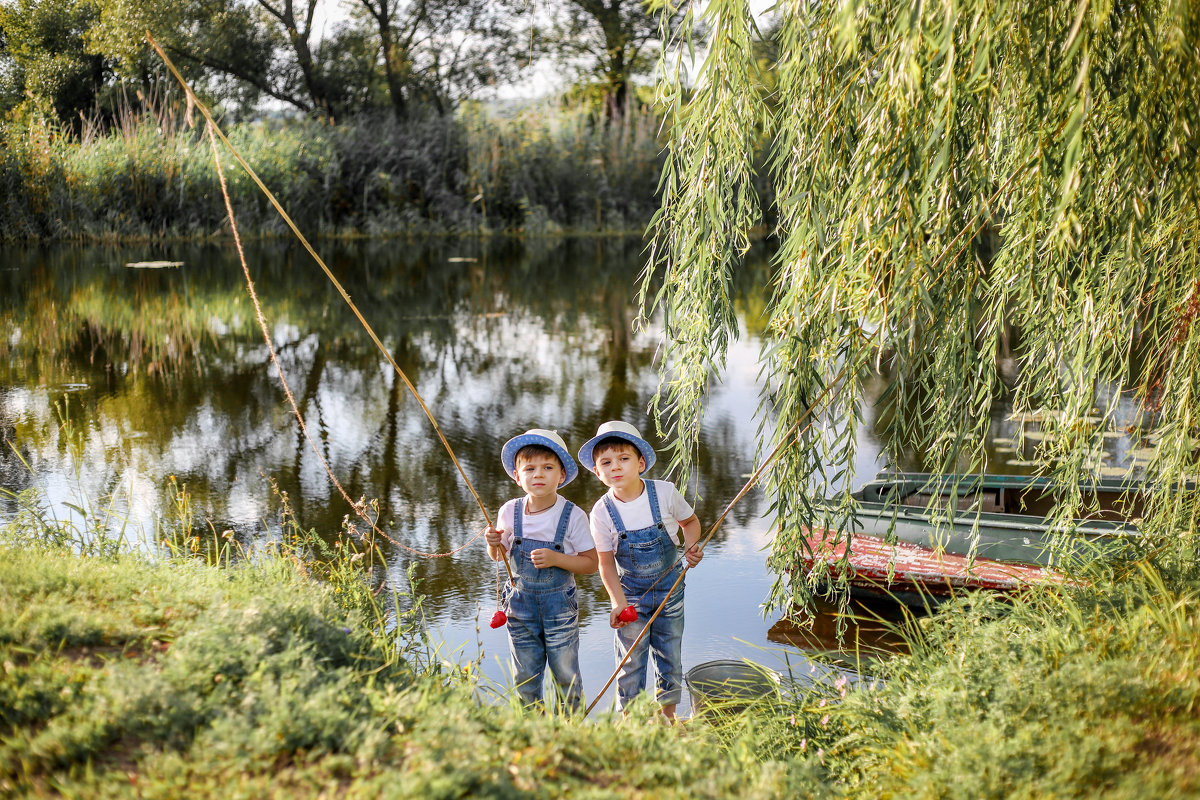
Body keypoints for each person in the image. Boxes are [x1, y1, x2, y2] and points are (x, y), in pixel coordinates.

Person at [577, 420, 703, 721]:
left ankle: (668, 715)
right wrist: (618, 603)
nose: (615, 467)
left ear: (641, 462)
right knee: (630, 660)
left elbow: (691, 523)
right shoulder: (602, 511)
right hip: (631, 595)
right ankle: (630, 720)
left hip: (671, 591)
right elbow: (605, 563)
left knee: (669, 654)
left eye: (624, 459)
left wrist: (690, 548)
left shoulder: (664, 493)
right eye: (605, 462)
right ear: (597, 472)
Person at [484, 428, 597, 711]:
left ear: (561, 475)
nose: (538, 475)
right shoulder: (510, 511)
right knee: (525, 675)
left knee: (565, 673)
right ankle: (533, 732)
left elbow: (591, 564)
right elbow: (499, 557)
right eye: (530, 468)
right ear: (517, 476)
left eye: (547, 468)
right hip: (520, 605)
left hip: (559, 607)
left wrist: (557, 559)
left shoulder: (572, 515)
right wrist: (492, 543)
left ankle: (572, 731)